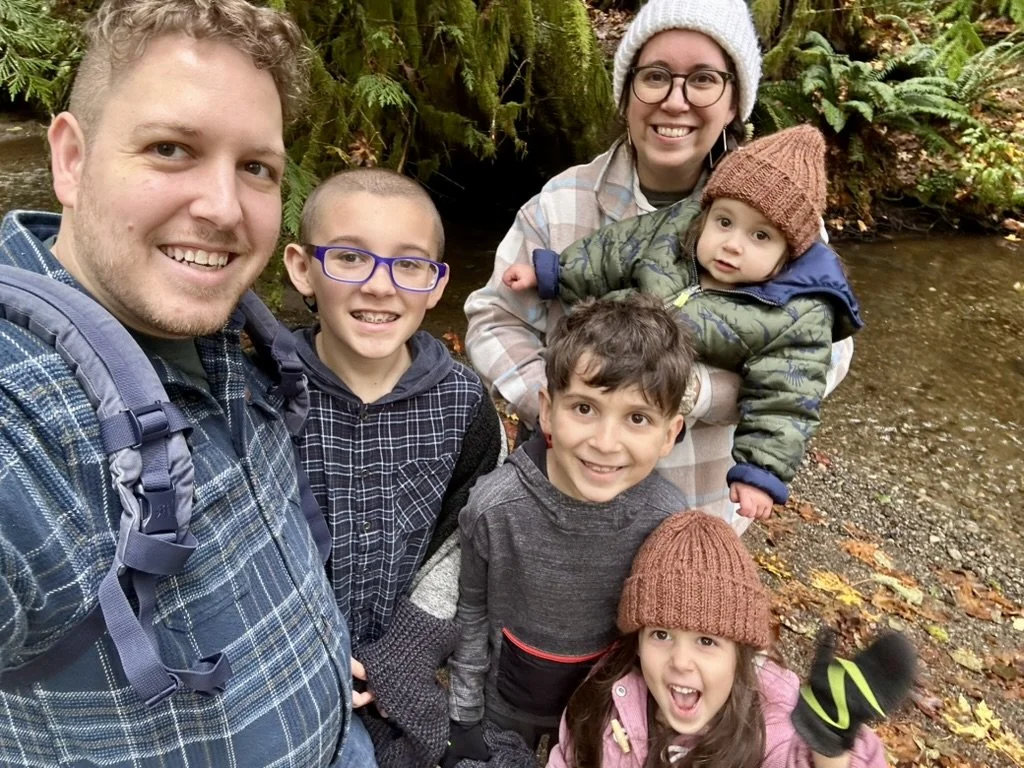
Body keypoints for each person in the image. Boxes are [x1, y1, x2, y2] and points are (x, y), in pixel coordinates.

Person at [0, 1, 356, 765]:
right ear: (70, 158)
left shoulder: (234, 330)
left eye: (256, 168)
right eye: (170, 149)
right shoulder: (22, 420)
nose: (224, 209)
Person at [463, 0, 854, 532]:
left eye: (703, 80)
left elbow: (822, 357)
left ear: (735, 99)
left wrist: (694, 394)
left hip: (697, 511)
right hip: (565, 500)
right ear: (626, 93)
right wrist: (558, 408)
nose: (675, 101)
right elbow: (494, 317)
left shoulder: (788, 228)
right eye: (655, 77)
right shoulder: (560, 204)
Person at [503, 125, 863, 520]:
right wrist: (553, 272)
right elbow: (614, 250)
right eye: (725, 222)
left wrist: (759, 471)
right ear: (707, 213)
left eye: (760, 236)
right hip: (601, 357)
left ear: (789, 253)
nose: (732, 244)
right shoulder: (676, 233)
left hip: (663, 431)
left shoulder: (795, 315)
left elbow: (786, 399)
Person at [282, 168, 504, 768]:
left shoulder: (466, 407)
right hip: (279, 674)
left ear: (437, 285)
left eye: (408, 265)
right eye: (350, 258)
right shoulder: (261, 390)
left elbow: (468, 538)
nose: (381, 287)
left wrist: (404, 654)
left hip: (401, 674)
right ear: (302, 268)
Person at [444, 294, 693, 765]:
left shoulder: (666, 518)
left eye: (637, 418)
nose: (604, 442)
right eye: (584, 408)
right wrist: (463, 717)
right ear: (547, 410)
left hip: (606, 712)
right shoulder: (495, 507)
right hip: (506, 702)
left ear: (669, 434)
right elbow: (471, 612)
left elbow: (668, 635)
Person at [547, 511, 917, 768]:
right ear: (637, 640)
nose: (680, 660)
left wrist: (830, 749)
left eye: (706, 641)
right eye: (661, 634)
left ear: (741, 652)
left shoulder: (772, 729)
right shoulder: (608, 697)